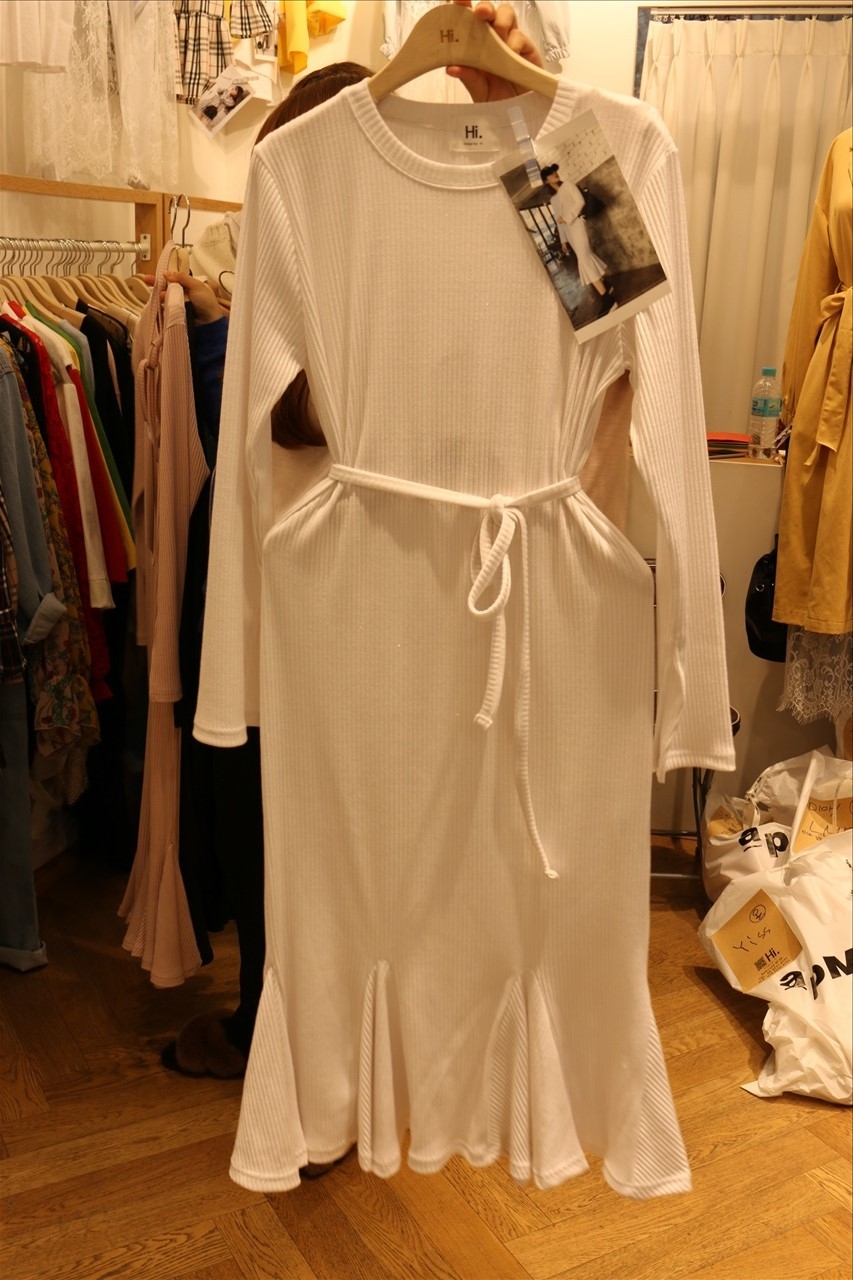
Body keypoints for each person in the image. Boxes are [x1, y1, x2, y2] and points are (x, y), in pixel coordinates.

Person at [159, 2, 549, 1106]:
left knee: (289, 845)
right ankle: (340, 1050)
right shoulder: (472, 253)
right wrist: (529, 132)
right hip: (416, 617)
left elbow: (617, 287)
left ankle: (292, 1056)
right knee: (366, 851)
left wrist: (530, 119)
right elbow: (610, 277)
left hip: (308, 621)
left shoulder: (316, 261)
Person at [541, 161, 616, 314]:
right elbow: (559, 220)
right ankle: (607, 286)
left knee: (584, 261)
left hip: (577, 225)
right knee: (587, 257)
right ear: (546, 180)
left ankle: (608, 300)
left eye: (554, 172)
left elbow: (581, 201)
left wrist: (567, 217)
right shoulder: (553, 200)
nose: (555, 174)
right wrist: (563, 240)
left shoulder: (568, 185)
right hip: (569, 232)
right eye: (550, 174)